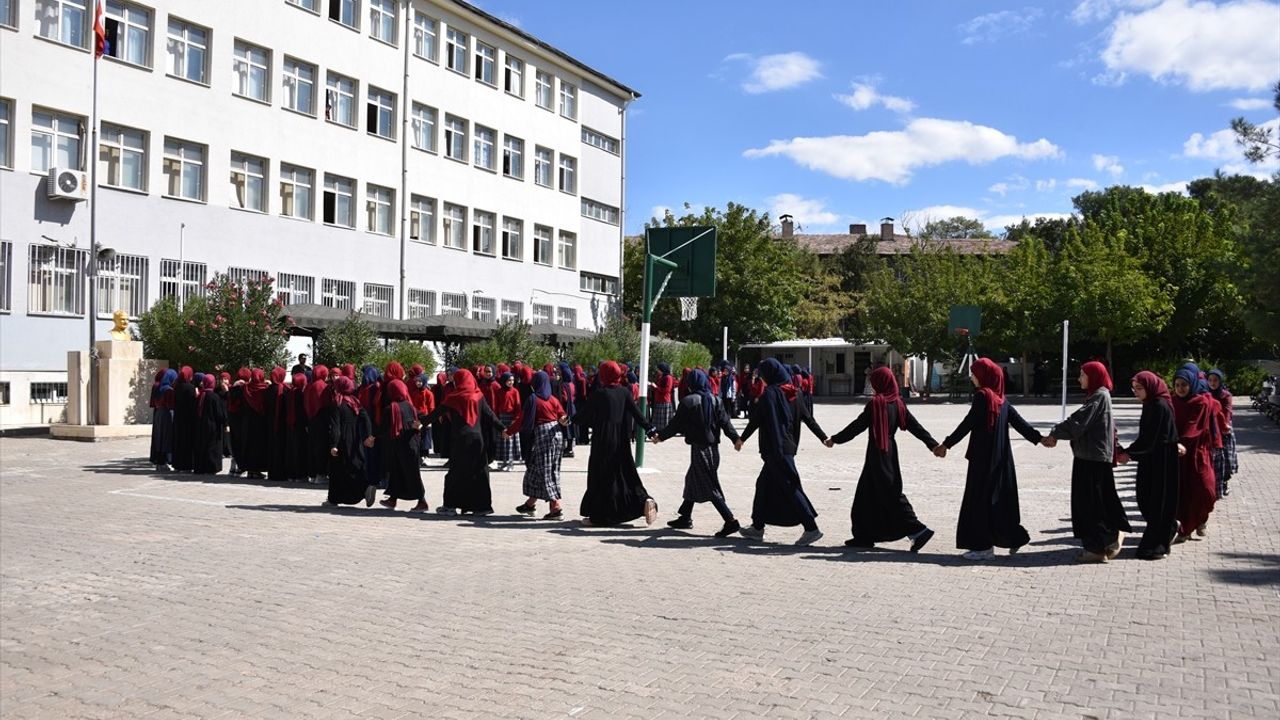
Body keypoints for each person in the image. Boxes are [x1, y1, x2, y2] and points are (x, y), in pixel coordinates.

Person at [936, 357, 1044, 560]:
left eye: (975, 373)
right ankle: (1014, 538)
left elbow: (968, 423)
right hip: (1001, 460)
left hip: (983, 459)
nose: (972, 377)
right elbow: (1020, 423)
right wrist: (1039, 439)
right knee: (997, 501)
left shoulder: (983, 396)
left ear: (985, 375)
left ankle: (983, 548)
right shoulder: (1001, 399)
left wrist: (946, 445)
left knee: (979, 501)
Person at [826, 367, 939, 553]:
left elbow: (857, 426)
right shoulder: (898, 403)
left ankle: (918, 530)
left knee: (891, 494)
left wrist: (835, 439)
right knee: (866, 496)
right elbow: (915, 427)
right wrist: (932, 445)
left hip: (878, 452)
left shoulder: (876, 404)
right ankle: (864, 536)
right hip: (889, 451)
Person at [735, 358, 829, 546]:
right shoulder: (795, 393)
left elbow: (756, 420)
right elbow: (808, 419)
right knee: (763, 485)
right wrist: (823, 437)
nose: (761, 379)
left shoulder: (770, 394)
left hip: (776, 449)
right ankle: (757, 527)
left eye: (762, 375)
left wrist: (741, 439)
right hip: (786, 448)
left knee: (791, 487)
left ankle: (811, 528)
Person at [1046, 362, 1131, 563]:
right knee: (1098, 503)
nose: (1080, 379)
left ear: (1094, 376)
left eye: (1083, 375)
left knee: (1090, 505)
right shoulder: (1099, 395)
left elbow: (1078, 422)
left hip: (1091, 459)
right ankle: (1108, 542)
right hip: (1094, 458)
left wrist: (1055, 432)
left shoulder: (1099, 396)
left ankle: (1097, 548)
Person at [651, 368, 743, 538]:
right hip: (713, 449)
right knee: (693, 479)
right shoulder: (716, 400)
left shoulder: (688, 401)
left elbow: (675, 425)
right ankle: (685, 517)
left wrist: (660, 437)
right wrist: (736, 439)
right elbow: (726, 423)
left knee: (709, 485)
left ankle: (730, 521)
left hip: (700, 449)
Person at [578, 360, 658, 526]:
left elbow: (583, 415)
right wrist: (650, 430)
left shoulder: (600, 394)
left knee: (601, 476)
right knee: (625, 473)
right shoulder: (624, 392)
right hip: (621, 440)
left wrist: (568, 419)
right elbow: (638, 414)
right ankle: (644, 501)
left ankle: (599, 516)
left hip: (603, 441)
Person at [420, 369, 506, 515]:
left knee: (456, 472)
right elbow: (490, 415)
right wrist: (503, 429)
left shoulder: (454, 396)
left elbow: (437, 413)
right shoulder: (478, 395)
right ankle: (482, 507)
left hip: (460, 439)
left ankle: (450, 506)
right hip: (477, 439)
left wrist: (421, 422)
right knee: (479, 472)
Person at [1121, 371, 1182, 560]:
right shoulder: (1150, 404)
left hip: (1162, 462)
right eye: (1134, 388)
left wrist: (1128, 453)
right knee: (1145, 498)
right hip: (1151, 459)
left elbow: (1152, 438)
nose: (1136, 392)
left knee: (1158, 502)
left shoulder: (1159, 406)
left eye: (1139, 388)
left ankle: (1157, 546)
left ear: (1150, 387)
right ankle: (1169, 527)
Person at [510, 371, 570, 519]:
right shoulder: (553, 399)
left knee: (546, 472)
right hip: (556, 434)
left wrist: (509, 431)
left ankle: (556, 508)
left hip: (543, 436)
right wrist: (563, 420)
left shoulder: (533, 398)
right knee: (537, 470)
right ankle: (530, 505)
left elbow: (522, 419)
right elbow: (562, 415)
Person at [1171, 363, 1216, 543]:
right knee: (1183, 492)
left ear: (1192, 384)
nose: (1181, 389)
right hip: (1178, 453)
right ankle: (1186, 527)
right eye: (1177, 385)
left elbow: (1193, 426)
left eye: (1184, 385)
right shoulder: (1173, 401)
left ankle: (1201, 519)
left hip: (1197, 452)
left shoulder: (1201, 401)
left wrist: (1180, 441)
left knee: (1206, 489)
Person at [378, 379, 429, 512]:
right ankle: (392, 499)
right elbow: (423, 417)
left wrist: (372, 437)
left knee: (410, 473)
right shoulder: (410, 406)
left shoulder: (390, 408)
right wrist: (419, 425)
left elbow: (383, 428)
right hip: (412, 444)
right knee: (399, 472)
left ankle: (422, 502)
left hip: (398, 445)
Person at [323, 376, 373, 507]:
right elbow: (366, 418)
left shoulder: (337, 402)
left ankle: (334, 499)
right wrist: (368, 435)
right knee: (354, 466)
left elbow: (335, 426)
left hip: (342, 440)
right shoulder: (355, 402)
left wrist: (333, 445)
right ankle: (365, 488)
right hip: (356, 438)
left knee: (337, 470)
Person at [1206, 369, 1238, 498]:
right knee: (1214, 461)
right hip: (1210, 431)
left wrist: (1224, 424)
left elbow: (1227, 411)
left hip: (1224, 431)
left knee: (1226, 461)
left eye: (1215, 380)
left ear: (1220, 381)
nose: (1213, 383)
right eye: (1210, 380)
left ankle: (1224, 482)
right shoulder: (1206, 394)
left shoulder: (1225, 395)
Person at [193, 374, 227, 475]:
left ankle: (201, 467)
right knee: (212, 448)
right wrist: (225, 423)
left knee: (203, 446)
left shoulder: (201, 395)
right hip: (213, 426)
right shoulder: (214, 397)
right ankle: (211, 468)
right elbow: (219, 413)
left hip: (201, 425)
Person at [304, 365, 331, 483]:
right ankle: (321, 474)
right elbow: (325, 403)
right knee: (321, 447)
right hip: (321, 419)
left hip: (311, 419)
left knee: (313, 447)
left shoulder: (309, 386)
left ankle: (313, 474)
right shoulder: (321, 386)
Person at [149, 368, 177, 472]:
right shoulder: (168, 390)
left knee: (159, 438)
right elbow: (171, 405)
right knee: (166, 438)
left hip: (158, 414)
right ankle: (163, 462)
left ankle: (159, 462)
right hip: (166, 415)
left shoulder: (158, 387)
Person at [171, 366, 198, 473]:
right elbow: (192, 405)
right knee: (187, 442)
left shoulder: (176, 387)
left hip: (178, 418)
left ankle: (178, 464)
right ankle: (186, 465)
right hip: (188, 419)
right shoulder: (190, 388)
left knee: (179, 441)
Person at [493, 371, 521, 471]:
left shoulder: (515, 392)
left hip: (511, 418)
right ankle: (504, 462)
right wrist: (496, 418)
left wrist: (515, 419)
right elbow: (496, 405)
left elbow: (518, 407)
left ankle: (510, 463)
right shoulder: (499, 391)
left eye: (512, 380)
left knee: (510, 441)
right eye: (509, 380)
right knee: (503, 441)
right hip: (502, 418)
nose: (511, 382)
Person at [649, 362, 676, 431]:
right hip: (659, 400)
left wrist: (656, 387)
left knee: (664, 419)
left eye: (659, 369)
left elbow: (667, 390)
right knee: (658, 418)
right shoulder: (662, 377)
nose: (658, 371)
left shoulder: (668, 378)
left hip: (664, 400)